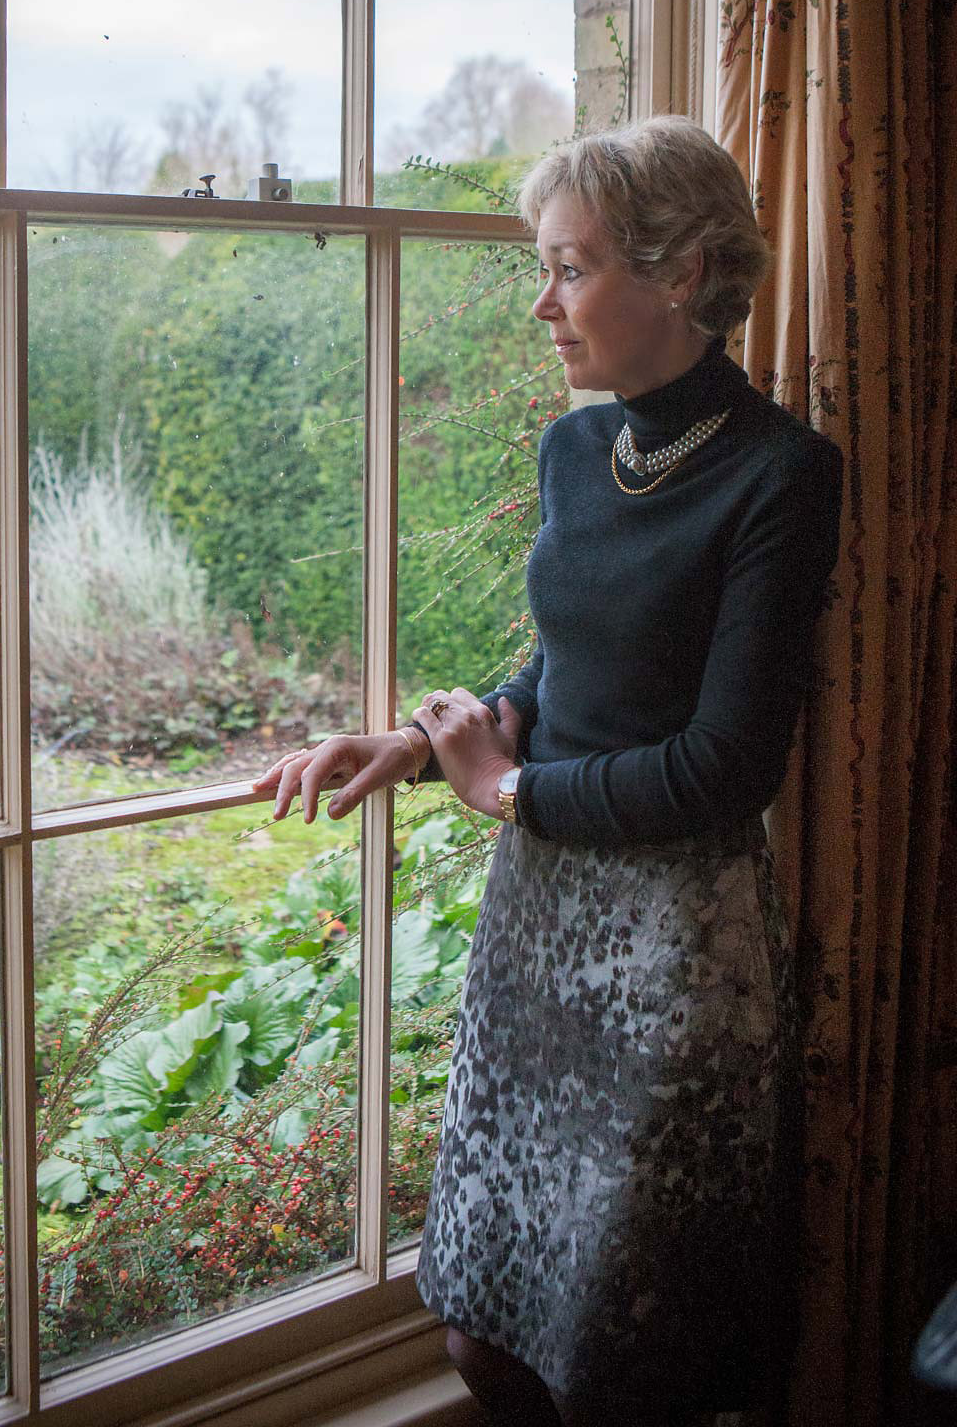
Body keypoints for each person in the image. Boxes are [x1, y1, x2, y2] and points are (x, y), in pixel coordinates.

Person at [251, 116, 843, 1427]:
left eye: (569, 268)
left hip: (669, 950)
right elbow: (568, 673)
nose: (543, 305)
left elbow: (724, 766)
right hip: (539, 929)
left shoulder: (782, 478)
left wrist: (506, 795)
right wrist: (416, 747)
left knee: (618, 1357)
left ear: (680, 275)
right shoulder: (577, 454)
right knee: (485, 1328)